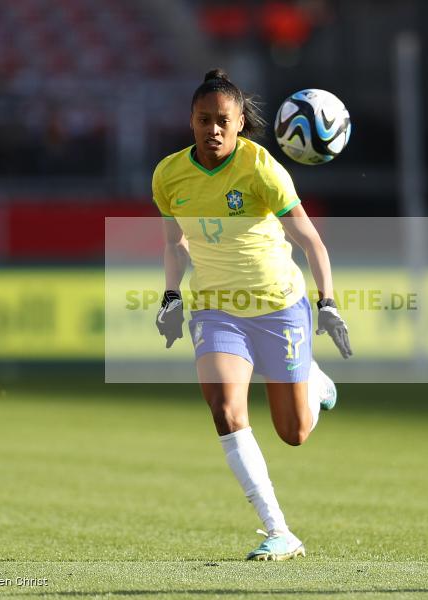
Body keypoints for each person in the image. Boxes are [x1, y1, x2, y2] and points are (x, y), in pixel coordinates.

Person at [152, 69, 352, 561]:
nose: (213, 129)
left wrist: (326, 303)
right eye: (204, 119)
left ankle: (314, 381)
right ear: (191, 120)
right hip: (216, 309)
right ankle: (279, 530)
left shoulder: (262, 169)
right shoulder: (168, 175)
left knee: (293, 433)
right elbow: (175, 243)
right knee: (225, 409)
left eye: (223, 120)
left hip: (279, 307)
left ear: (240, 123)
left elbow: (310, 241)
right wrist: (171, 296)